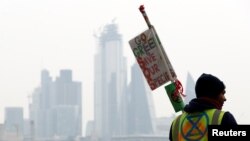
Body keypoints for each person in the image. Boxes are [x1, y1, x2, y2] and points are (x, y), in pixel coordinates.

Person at [169, 73, 237, 141]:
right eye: (222, 93)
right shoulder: (224, 118)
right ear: (213, 94)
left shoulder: (176, 124)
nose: (225, 98)